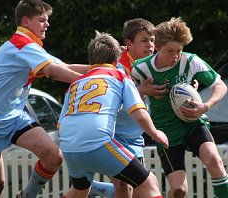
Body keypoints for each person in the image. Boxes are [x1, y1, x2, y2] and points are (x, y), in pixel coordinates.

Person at [0, 0, 89, 197]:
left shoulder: (32, 47)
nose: (47, 24)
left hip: (14, 116)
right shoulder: (21, 44)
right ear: (26, 21)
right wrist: (95, 82)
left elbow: (66, 67)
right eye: (42, 20)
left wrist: (106, 68)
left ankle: (26, 195)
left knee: (53, 156)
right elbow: (53, 72)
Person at [58, 30, 169, 198]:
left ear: (90, 59)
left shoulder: (76, 83)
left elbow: (61, 122)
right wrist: (155, 133)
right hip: (98, 141)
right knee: (148, 183)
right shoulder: (120, 76)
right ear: (117, 59)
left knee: (79, 191)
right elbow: (138, 113)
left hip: (68, 145)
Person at [131, 17, 228, 198]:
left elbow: (220, 85)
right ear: (157, 47)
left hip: (192, 122)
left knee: (214, 160)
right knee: (179, 190)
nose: (176, 56)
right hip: (165, 130)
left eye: (179, 50)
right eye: (170, 51)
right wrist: (142, 90)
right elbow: (125, 96)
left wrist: (205, 106)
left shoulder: (190, 61)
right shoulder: (140, 69)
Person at [109, 18, 168, 198]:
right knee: (125, 185)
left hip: (134, 138)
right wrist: (142, 90)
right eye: (144, 40)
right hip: (112, 136)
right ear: (128, 44)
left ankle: (98, 189)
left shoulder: (157, 65)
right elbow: (112, 99)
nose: (150, 45)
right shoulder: (116, 66)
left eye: (152, 40)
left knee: (133, 189)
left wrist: (189, 89)